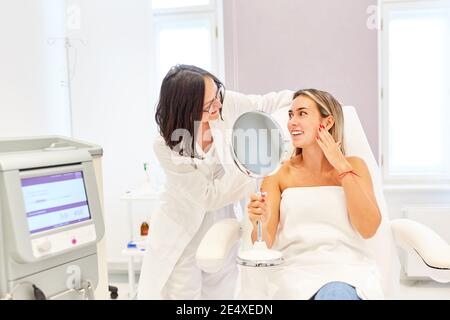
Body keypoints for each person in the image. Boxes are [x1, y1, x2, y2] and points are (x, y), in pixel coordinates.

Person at [137, 64, 293, 299]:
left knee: (223, 291)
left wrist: (308, 102)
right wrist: (251, 162)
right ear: (187, 111)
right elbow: (208, 197)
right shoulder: (164, 144)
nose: (219, 105)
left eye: (217, 95)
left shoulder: (225, 103)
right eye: (209, 105)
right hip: (181, 227)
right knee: (183, 294)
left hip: (220, 220)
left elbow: (275, 102)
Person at [247, 89, 385, 300]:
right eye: (291, 115)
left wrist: (342, 167)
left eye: (302, 113)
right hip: (295, 275)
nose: (292, 122)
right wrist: (260, 220)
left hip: (348, 272)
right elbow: (264, 242)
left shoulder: (355, 166)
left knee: (336, 293)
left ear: (327, 123)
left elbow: (369, 228)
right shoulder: (278, 173)